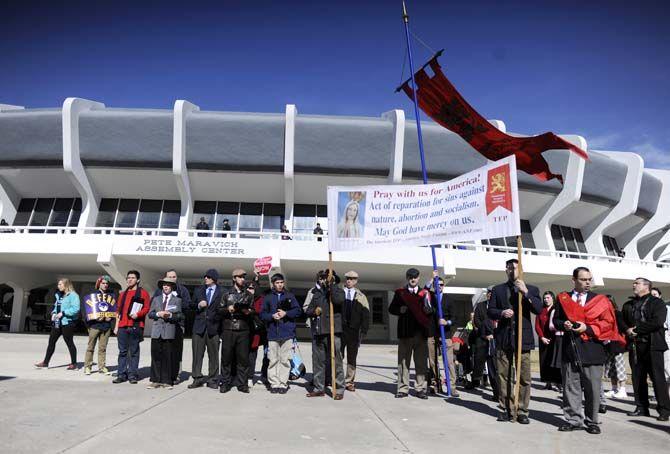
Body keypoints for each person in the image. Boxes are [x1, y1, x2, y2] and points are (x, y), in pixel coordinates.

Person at [553, 267, 625, 434]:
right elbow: (556, 320)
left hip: (592, 349)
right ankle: (573, 420)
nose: (587, 283)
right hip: (570, 349)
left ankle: (592, 421)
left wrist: (588, 328)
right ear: (574, 280)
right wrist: (563, 324)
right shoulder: (564, 298)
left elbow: (608, 324)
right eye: (583, 279)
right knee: (571, 387)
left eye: (589, 279)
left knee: (593, 388)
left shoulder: (600, 300)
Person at [488, 258, 542, 424]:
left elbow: (538, 309)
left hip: (522, 339)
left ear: (521, 269)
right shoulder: (498, 289)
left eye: (515, 268)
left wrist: (525, 292)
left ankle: (522, 410)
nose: (513, 270)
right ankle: (506, 408)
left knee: (524, 376)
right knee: (504, 376)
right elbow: (490, 311)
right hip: (504, 337)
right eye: (510, 268)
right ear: (506, 270)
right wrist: (501, 313)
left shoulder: (531, 289)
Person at [621, 278, 670, 421]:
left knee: (657, 378)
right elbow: (622, 321)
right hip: (635, 345)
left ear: (647, 286)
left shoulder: (657, 303)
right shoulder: (629, 304)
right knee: (637, 378)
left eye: (637, 283)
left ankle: (664, 410)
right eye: (634, 283)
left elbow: (657, 321)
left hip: (653, 345)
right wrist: (627, 330)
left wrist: (637, 330)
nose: (634, 285)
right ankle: (641, 407)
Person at [389, 268, 432, 400]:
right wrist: (400, 310)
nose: (413, 279)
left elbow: (431, 310)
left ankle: (420, 389)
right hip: (405, 332)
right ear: (407, 278)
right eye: (410, 277)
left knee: (421, 363)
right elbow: (391, 309)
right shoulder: (400, 293)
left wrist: (428, 309)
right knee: (403, 362)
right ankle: (403, 389)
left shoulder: (424, 293)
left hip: (420, 333)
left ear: (418, 278)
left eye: (415, 277)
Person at [305, 270, 346, 399]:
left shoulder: (338, 291)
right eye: (322, 278)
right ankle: (319, 388)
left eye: (327, 278)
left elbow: (338, 301)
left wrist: (332, 285)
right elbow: (308, 310)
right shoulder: (316, 293)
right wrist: (314, 312)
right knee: (318, 361)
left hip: (334, 332)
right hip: (319, 331)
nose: (324, 280)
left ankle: (339, 389)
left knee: (336, 361)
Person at [260, 273, 301, 394]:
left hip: (287, 333)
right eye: (277, 282)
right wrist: (272, 316)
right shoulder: (268, 297)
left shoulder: (290, 296)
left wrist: (286, 313)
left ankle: (283, 383)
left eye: (281, 282)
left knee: (285, 360)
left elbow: (298, 311)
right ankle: (274, 383)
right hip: (272, 333)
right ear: (273, 284)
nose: (280, 285)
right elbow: (262, 314)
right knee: (273, 360)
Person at [218, 268, 255, 393]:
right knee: (226, 358)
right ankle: (225, 382)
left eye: (243, 277)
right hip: (228, 329)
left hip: (243, 329)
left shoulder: (249, 295)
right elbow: (219, 311)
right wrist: (228, 309)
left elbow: (253, 311)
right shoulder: (226, 294)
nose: (242, 279)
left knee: (243, 358)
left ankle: (242, 383)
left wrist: (248, 311)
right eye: (239, 277)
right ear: (234, 278)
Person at [152, 269, 191, 384]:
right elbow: (153, 305)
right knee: (163, 351)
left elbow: (187, 306)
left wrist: (175, 301)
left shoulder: (182, 290)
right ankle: (162, 375)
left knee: (176, 350)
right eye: (169, 276)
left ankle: (176, 373)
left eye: (174, 277)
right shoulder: (159, 291)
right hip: (162, 326)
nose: (172, 278)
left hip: (178, 325)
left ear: (176, 278)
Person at [113, 270, 151, 384]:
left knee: (134, 351)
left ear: (138, 280)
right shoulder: (122, 294)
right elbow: (118, 311)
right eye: (128, 277)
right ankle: (121, 374)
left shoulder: (143, 293)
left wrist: (137, 314)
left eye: (133, 278)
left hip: (135, 326)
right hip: (122, 326)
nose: (130, 279)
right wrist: (116, 326)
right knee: (122, 352)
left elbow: (146, 308)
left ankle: (133, 375)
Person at [35, 278, 80, 370]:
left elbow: (76, 309)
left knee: (69, 343)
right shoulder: (59, 295)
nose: (58, 286)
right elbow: (56, 307)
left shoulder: (73, 295)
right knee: (51, 342)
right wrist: (53, 313)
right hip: (57, 323)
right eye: (58, 284)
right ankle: (45, 363)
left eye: (60, 284)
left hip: (67, 323)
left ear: (66, 285)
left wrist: (63, 313)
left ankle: (74, 364)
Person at [188, 269, 222, 390]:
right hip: (199, 327)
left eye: (208, 277)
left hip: (214, 328)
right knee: (197, 354)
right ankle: (197, 378)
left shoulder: (222, 291)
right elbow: (190, 305)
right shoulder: (199, 290)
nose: (205, 278)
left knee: (213, 355)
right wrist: (198, 305)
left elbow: (223, 310)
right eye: (205, 276)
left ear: (214, 278)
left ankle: (213, 379)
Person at [425, 272, 458, 397]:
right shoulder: (430, 296)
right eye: (436, 284)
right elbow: (424, 290)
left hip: (445, 334)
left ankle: (452, 387)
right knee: (433, 362)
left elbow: (455, 317)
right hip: (432, 333)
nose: (439, 286)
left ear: (444, 286)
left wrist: (447, 321)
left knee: (448, 361)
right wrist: (431, 278)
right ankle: (435, 384)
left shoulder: (449, 299)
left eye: (441, 285)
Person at [147, 277, 183, 389]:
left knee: (168, 357)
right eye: (164, 285)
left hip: (169, 332)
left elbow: (180, 316)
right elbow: (150, 314)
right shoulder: (156, 299)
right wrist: (158, 314)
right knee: (156, 356)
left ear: (172, 287)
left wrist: (170, 315)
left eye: (168, 285)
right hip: (156, 331)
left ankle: (167, 381)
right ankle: (155, 380)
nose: (166, 286)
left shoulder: (177, 300)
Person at [340, 270, 370, 392]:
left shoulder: (361, 296)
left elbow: (366, 314)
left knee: (352, 357)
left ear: (356, 281)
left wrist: (364, 330)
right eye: (347, 278)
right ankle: (338, 380)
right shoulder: (338, 293)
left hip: (354, 331)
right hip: (340, 329)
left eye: (352, 279)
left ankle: (349, 382)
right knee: (338, 356)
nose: (349, 280)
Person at [84, 275, 116, 375]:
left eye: (107, 283)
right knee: (90, 347)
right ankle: (87, 367)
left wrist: (111, 317)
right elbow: (87, 311)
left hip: (106, 326)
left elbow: (113, 310)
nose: (105, 285)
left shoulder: (111, 295)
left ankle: (102, 367)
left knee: (102, 348)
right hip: (94, 325)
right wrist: (94, 318)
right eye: (103, 283)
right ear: (99, 284)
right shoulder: (92, 295)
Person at [602, 295, 628, 400]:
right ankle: (614, 388)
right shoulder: (603, 315)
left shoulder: (617, 313)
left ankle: (622, 389)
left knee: (619, 366)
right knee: (610, 367)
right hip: (607, 344)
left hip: (617, 343)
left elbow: (622, 327)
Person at [535, 291, 562, 391]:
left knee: (555, 361)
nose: (546, 300)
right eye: (545, 298)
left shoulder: (556, 309)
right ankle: (547, 383)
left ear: (552, 298)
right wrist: (542, 337)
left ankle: (558, 383)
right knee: (544, 361)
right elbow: (537, 325)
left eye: (548, 298)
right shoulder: (541, 310)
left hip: (554, 339)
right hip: (543, 339)